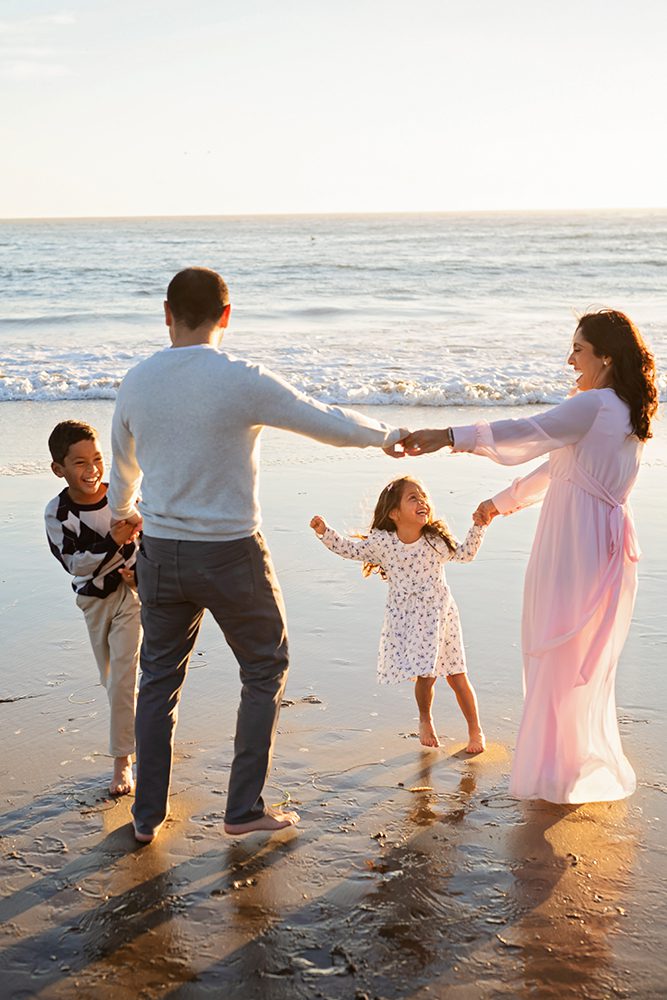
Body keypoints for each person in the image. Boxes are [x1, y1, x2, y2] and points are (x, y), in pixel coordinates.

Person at [107, 266, 409, 844]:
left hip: (162, 552)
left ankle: (147, 818)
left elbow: (123, 462)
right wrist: (386, 434)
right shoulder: (241, 377)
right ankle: (242, 809)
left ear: (166, 314)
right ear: (226, 315)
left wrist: (125, 510)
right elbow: (323, 420)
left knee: (158, 681)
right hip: (230, 554)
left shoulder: (137, 380)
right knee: (264, 667)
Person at [399, 310, 659, 803]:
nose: (570, 359)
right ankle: (567, 766)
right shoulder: (625, 407)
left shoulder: (596, 404)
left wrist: (449, 436)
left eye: (578, 349)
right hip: (602, 544)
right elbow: (559, 467)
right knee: (574, 656)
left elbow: (530, 429)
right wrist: (501, 503)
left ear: (605, 356)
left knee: (555, 647)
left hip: (574, 544)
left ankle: (557, 773)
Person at [310, 476, 486, 752]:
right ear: (394, 513)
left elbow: (465, 554)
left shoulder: (434, 540)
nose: (422, 502)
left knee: (456, 674)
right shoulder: (383, 543)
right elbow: (350, 550)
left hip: (441, 615)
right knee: (425, 675)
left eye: (423, 496)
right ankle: (425, 719)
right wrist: (325, 532)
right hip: (408, 618)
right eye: (413, 498)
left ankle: (475, 731)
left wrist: (479, 525)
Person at [45, 420, 141, 796]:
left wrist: (140, 571)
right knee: (111, 678)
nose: (93, 470)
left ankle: (123, 761)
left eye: (97, 459)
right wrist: (113, 543)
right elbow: (75, 563)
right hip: (93, 601)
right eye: (80, 463)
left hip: (133, 596)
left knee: (122, 677)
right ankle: (137, 730)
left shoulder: (122, 496)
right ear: (59, 469)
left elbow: (147, 538)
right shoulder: (59, 513)